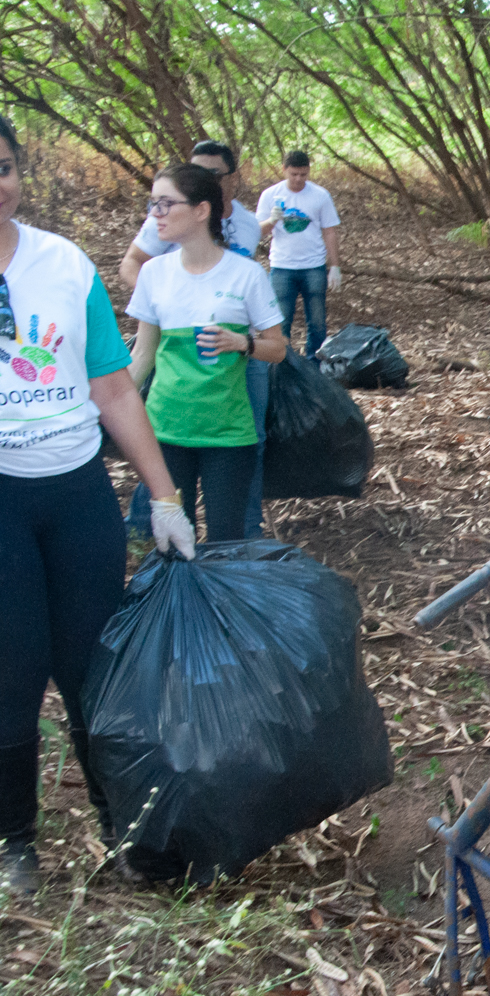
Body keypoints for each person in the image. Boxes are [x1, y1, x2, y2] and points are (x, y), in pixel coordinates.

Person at [0, 114, 195, 893]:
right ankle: (15, 842)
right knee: (12, 670)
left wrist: (166, 496)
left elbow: (112, 388)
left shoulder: (65, 265)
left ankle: (126, 828)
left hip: (76, 489)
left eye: (5, 166)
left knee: (93, 667)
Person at [118, 140, 278, 539]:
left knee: (226, 542)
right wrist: (108, 411)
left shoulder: (246, 274)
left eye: (166, 204)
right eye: (153, 203)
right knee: (173, 543)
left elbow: (278, 348)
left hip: (227, 432)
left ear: (201, 211)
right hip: (166, 430)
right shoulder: (154, 274)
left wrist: (243, 344)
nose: (156, 214)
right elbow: (142, 355)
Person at [256, 150, 342, 357]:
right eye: (294, 174)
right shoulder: (271, 195)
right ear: (284, 170)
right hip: (282, 266)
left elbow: (329, 231)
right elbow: (257, 231)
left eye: (303, 174)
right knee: (280, 320)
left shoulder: (320, 195)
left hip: (313, 265)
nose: (298, 179)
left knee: (318, 321)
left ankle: (315, 363)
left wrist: (335, 266)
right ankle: (282, 364)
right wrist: (272, 220)